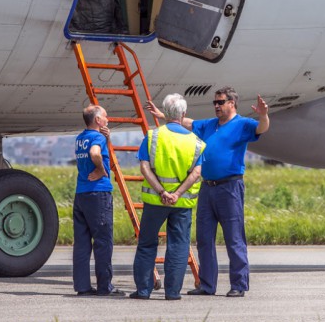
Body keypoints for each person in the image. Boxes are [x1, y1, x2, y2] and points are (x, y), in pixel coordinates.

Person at [147, 87, 269, 297]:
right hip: (207, 187)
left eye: (220, 102)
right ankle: (207, 285)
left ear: (232, 103)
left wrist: (263, 115)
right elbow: (189, 123)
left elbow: (262, 129)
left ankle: (239, 285)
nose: (216, 106)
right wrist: (164, 116)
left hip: (230, 187)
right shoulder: (210, 125)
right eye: (215, 102)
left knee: (234, 237)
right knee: (204, 238)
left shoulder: (242, 124)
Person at [130, 94, 205, 300]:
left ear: (165, 113)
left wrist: (163, 192)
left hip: (155, 201)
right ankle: (172, 293)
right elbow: (196, 173)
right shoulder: (196, 142)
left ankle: (144, 291)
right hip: (182, 203)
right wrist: (177, 194)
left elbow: (144, 167)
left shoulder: (153, 136)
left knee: (147, 244)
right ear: (183, 114)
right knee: (179, 246)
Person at [72, 105, 125, 297]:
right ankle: (105, 287)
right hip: (98, 194)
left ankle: (82, 286)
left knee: (82, 243)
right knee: (103, 242)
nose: (108, 119)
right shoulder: (97, 138)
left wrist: (107, 138)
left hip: (81, 194)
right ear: (97, 121)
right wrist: (102, 170)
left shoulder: (80, 139)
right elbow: (95, 153)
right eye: (105, 116)